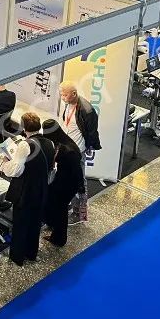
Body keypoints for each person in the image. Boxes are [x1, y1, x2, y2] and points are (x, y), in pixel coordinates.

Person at [0, 112, 54, 266]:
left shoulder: (25, 145)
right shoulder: (49, 143)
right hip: (42, 189)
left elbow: (16, 170)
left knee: (21, 223)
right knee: (35, 223)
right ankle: (31, 253)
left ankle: (17, 257)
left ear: (23, 127)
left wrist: (3, 164)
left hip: (26, 191)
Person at [58, 81, 101, 224]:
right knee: (67, 179)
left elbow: (92, 132)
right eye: (61, 94)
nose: (62, 97)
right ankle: (71, 204)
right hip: (67, 149)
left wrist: (89, 147)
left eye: (65, 95)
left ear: (74, 94)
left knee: (79, 182)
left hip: (77, 152)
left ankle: (80, 213)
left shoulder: (87, 110)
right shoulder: (69, 103)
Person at [41, 119, 84, 247]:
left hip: (66, 185)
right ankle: (52, 223)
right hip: (64, 181)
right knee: (52, 203)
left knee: (60, 210)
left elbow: (74, 171)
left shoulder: (68, 151)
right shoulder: (65, 142)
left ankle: (59, 238)